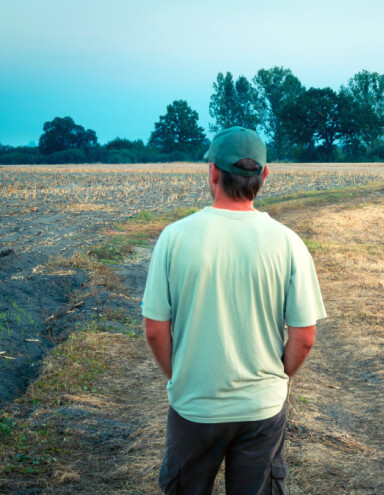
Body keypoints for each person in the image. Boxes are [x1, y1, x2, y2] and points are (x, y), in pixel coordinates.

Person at [142, 127, 326, 494]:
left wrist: (180, 375)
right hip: (261, 409)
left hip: (194, 406)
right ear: (265, 176)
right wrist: (276, 377)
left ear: (212, 172)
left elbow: (155, 330)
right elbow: (303, 339)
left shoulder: (174, 238)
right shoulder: (288, 243)